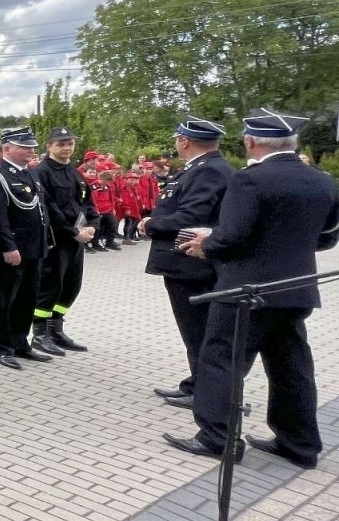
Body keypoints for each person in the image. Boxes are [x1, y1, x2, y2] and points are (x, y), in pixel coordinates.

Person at [168, 110, 339, 468]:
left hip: (246, 291)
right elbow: (327, 238)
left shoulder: (251, 181)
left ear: (250, 141)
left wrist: (207, 243)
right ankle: (300, 443)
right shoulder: (322, 180)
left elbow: (232, 237)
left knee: (221, 361)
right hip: (296, 288)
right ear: (293, 143)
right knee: (291, 366)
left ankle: (217, 438)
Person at [142, 118, 234, 407]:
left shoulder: (208, 171)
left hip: (193, 264)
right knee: (196, 330)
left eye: (177, 138)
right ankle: (197, 383)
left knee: (200, 330)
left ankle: (205, 392)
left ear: (184, 140)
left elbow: (191, 217)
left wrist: (151, 223)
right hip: (188, 263)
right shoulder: (202, 168)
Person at [0, 128, 52, 369]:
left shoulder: (31, 174)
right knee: (4, 299)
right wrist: (7, 246)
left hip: (33, 248)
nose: (31, 151)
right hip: (11, 251)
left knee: (27, 297)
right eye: (25, 147)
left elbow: (40, 211)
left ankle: (20, 342)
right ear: (7, 149)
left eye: (32, 147)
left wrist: (46, 241)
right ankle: (1, 347)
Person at [32, 127, 95, 354]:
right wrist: (72, 231)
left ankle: (55, 329)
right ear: (49, 146)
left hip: (76, 240)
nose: (66, 147)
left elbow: (88, 203)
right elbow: (50, 209)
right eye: (60, 144)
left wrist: (92, 226)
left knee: (70, 286)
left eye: (69, 143)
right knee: (50, 286)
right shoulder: (42, 172)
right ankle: (39, 334)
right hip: (56, 240)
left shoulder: (75, 173)